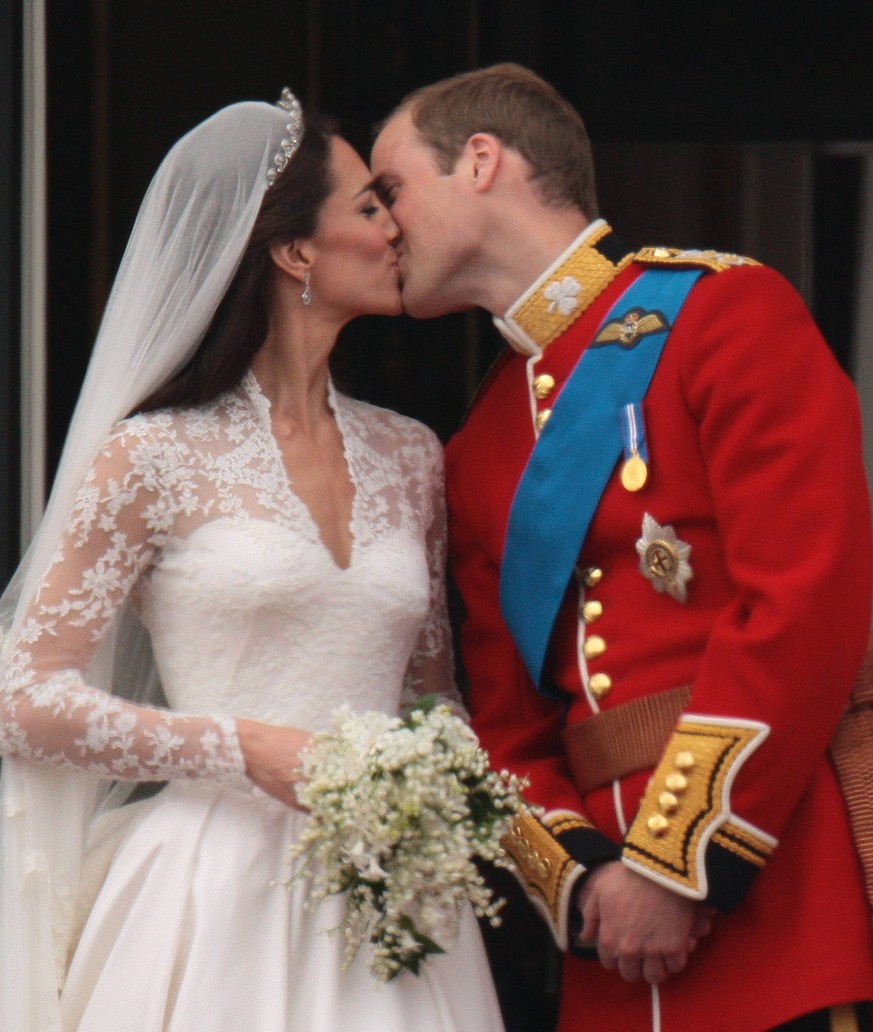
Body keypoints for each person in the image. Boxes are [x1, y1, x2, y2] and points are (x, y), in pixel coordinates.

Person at [371, 63, 873, 1032]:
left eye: (393, 190)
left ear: (480, 161)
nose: (383, 225)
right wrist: (586, 882)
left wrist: (680, 865)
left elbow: (805, 606)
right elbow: (505, 729)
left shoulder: (723, 314)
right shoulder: (483, 444)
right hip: (611, 955)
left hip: (773, 910)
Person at [0, 92, 506, 1032]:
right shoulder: (152, 456)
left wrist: (448, 782)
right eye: (366, 206)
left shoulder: (409, 455)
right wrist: (246, 751)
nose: (395, 227)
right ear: (294, 252)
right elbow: (22, 701)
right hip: (211, 890)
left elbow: (429, 692)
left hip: (390, 899)